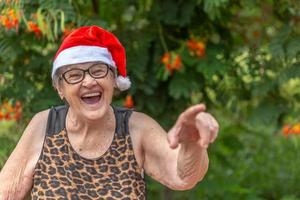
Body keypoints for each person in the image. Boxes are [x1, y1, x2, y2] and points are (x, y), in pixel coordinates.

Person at [0, 26, 219, 200]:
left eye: (98, 70)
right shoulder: (44, 126)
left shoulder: (137, 128)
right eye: (74, 75)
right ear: (60, 89)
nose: (89, 81)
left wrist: (192, 143)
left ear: (113, 80)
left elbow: (183, 177)